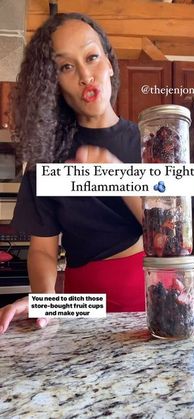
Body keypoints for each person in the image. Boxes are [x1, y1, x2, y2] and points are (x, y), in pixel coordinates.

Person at [0, 12, 145, 334]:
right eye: (66, 66)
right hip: (83, 299)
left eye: (91, 57)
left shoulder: (151, 144)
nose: (84, 75)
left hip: (146, 290)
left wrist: (117, 175)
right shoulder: (47, 159)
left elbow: (169, 239)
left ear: (109, 63)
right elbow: (42, 250)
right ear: (54, 83)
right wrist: (46, 303)